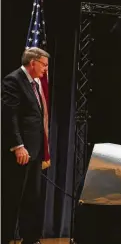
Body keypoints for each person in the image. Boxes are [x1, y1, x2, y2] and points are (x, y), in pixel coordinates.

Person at [1, 47, 50, 244]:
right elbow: (8, 116)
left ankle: (30, 239)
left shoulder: (35, 84)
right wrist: (18, 146)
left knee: (32, 198)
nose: (46, 70)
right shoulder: (13, 80)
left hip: (35, 152)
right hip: (20, 153)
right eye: (44, 65)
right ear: (33, 63)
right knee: (13, 198)